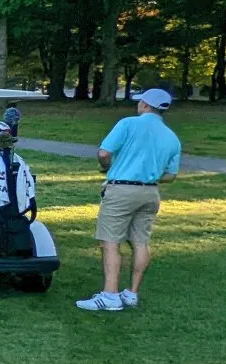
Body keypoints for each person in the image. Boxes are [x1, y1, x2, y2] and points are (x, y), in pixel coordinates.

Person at [76, 87, 181, 312]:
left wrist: (108, 169)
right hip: (151, 192)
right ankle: (131, 293)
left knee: (110, 241)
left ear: (144, 105)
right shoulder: (172, 137)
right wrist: (149, 175)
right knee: (141, 241)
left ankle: (110, 295)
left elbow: (104, 153)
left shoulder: (128, 123)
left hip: (122, 189)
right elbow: (171, 175)